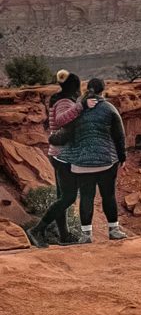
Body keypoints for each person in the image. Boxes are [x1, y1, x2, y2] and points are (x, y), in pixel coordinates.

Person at [56, 77, 128, 243]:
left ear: (86, 89)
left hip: (81, 163)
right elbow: (119, 135)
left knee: (86, 197)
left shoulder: (77, 109)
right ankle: (114, 230)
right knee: (108, 196)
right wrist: (122, 156)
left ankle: (86, 236)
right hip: (106, 161)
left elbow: (65, 132)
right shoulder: (109, 108)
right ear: (103, 90)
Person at [26, 69, 84, 248]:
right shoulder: (66, 102)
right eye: (78, 86)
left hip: (57, 152)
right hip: (63, 155)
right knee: (68, 197)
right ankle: (37, 230)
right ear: (74, 87)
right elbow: (63, 122)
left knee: (62, 196)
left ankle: (64, 235)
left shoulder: (59, 99)